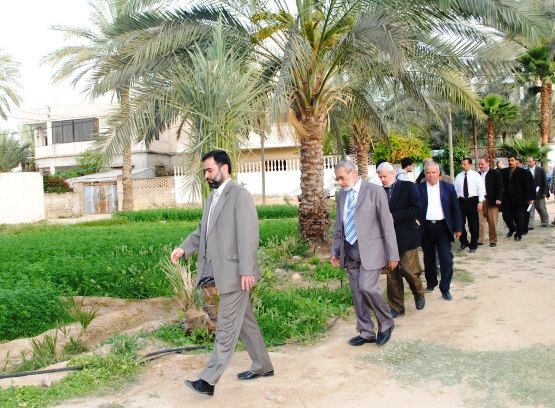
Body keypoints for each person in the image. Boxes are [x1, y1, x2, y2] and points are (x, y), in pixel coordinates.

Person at [171, 150, 273, 397]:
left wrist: (247, 270)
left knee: (226, 328)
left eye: (209, 170)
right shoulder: (212, 199)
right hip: (223, 273)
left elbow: (249, 234)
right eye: (205, 171)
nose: (206, 175)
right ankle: (263, 365)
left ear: (224, 168)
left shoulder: (239, 195)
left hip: (236, 274)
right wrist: (184, 248)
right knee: (245, 322)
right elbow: (202, 232)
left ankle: (208, 380)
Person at [331, 160, 399, 346]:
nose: (340, 182)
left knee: (367, 287)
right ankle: (366, 331)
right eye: (338, 179)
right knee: (357, 293)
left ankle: (386, 322)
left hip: (371, 252)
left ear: (353, 173)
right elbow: (339, 225)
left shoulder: (374, 191)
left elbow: (387, 224)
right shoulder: (341, 195)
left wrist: (393, 254)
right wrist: (335, 250)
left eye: (342, 178)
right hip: (349, 251)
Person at [377, 162, 425, 318]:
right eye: (380, 177)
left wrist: (394, 217)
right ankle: (397, 307)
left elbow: (416, 208)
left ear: (392, 174)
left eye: (384, 176)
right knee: (392, 275)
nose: (382, 179)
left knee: (410, 271)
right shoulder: (378, 191)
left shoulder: (408, 187)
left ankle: (418, 293)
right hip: (386, 239)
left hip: (406, 236)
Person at [417, 161, 462, 301]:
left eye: (433, 172)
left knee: (446, 258)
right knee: (428, 258)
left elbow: (455, 208)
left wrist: (458, 227)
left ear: (439, 173)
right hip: (426, 227)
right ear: (424, 174)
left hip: (443, 227)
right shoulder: (418, 189)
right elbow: (413, 207)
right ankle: (431, 282)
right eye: (428, 173)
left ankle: (445, 288)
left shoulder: (448, 188)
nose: (431, 175)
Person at [500, 155, 535, 241]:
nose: (510, 162)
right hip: (507, 199)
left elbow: (530, 186)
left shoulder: (524, 173)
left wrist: (530, 197)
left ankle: (518, 234)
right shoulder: (503, 172)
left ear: (516, 161)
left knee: (519, 218)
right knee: (506, 216)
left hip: (520, 198)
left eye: (512, 160)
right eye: (509, 160)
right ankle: (512, 228)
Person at [453, 158, 485, 253]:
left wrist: (480, 202)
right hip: (461, 201)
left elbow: (481, 189)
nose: (462, 166)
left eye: (464, 164)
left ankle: (473, 244)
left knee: (473, 224)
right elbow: (455, 190)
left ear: (470, 165)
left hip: (473, 201)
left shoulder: (476, 175)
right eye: (462, 164)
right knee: (460, 223)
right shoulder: (459, 176)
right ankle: (464, 242)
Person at [477, 158, 503, 247]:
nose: (480, 166)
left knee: (492, 222)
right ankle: (480, 239)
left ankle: (493, 240)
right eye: (479, 164)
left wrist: (499, 198)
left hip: (492, 200)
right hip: (480, 200)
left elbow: (500, 186)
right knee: (480, 221)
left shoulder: (495, 173)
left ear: (488, 163)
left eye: (482, 164)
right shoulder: (477, 175)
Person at [526, 157, 549, 228]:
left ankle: (544, 222)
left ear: (534, 162)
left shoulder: (540, 169)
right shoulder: (526, 171)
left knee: (541, 208)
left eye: (530, 161)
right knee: (530, 209)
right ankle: (530, 225)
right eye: (528, 162)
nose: (528, 163)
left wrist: (545, 192)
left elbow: (544, 181)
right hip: (530, 194)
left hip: (540, 193)